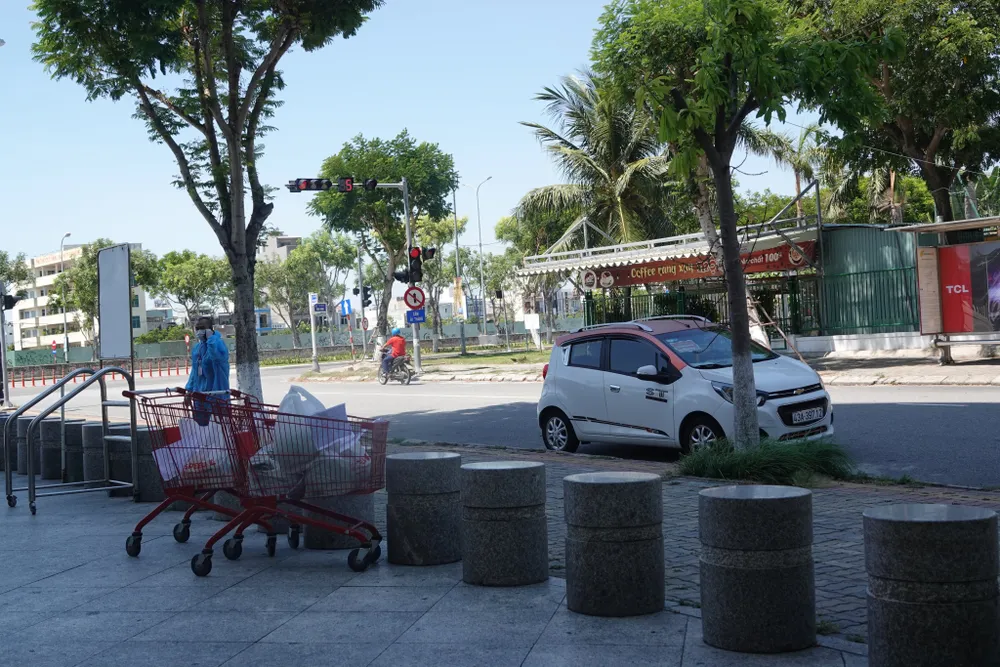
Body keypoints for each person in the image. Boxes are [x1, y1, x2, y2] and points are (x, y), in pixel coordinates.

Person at [185, 316, 230, 424]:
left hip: (217, 395)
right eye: (197, 328)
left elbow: (216, 358)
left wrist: (211, 339)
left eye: (202, 328)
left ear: (210, 329)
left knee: (219, 429)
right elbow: (195, 372)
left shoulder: (218, 344)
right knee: (201, 430)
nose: (199, 331)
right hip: (199, 396)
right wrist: (189, 390)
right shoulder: (197, 347)